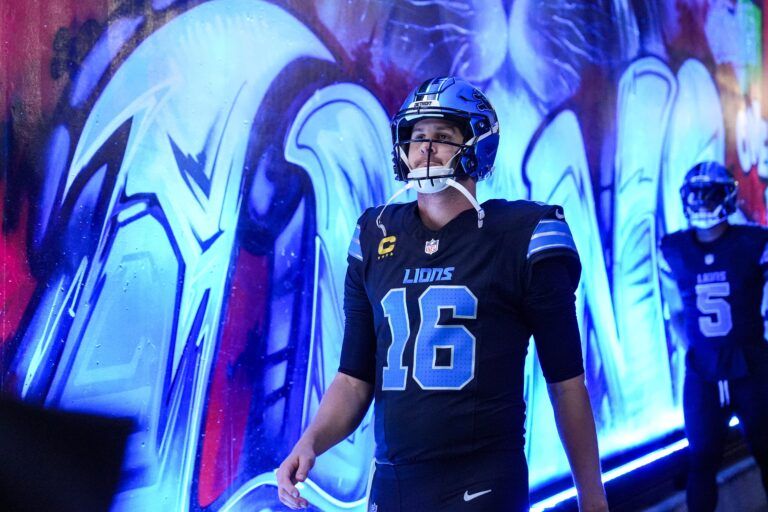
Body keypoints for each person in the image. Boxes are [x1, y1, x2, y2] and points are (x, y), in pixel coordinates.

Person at [277, 76, 608, 511]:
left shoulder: (524, 234)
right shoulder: (376, 234)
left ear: (478, 145)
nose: (426, 149)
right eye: (417, 136)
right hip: (393, 483)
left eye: (443, 136)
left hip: (482, 481)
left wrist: (593, 498)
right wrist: (310, 442)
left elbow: (566, 385)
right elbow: (354, 379)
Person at [659, 161, 768, 511]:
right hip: (704, 372)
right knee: (701, 459)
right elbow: (675, 312)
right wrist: (698, 351)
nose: (704, 202)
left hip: (751, 364)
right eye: (698, 195)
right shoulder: (674, 248)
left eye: (710, 194)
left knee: (766, 450)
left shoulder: (754, 242)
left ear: (727, 196)